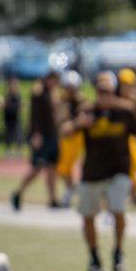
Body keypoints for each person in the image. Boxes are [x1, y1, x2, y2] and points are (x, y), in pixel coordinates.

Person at [63, 71, 136, 271]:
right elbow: (65, 131)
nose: (104, 96)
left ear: (115, 92)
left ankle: (118, 253)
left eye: (108, 91)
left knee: (118, 209)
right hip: (93, 172)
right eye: (101, 91)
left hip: (119, 170)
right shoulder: (87, 111)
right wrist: (79, 124)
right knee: (88, 216)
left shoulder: (126, 111)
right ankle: (94, 258)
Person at [11, 69, 61, 211]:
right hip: (41, 136)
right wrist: (35, 134)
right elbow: (34, 115)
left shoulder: (53, 92)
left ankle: (52, 199)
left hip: (52, 135)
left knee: (52, 168)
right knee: (37, 167)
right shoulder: (38, 91)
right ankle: (18, 192)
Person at [56, 70, 86, 207]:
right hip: (66, 138)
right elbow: (60, 118)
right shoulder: (62, 100)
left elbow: (83, 119)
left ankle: (78, 193)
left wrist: (72, 125)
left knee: (78, 167)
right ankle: (70, 190)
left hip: (79, 138)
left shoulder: (82, 101)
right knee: (63, 168)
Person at [0, 77, 21, 158]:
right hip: (8, 118)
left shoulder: (17, 96)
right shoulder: (7, 95)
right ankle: (8, 150)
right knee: (8, 135)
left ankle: (18, 151)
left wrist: (6, 105)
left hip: (15, 118)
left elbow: (17, 106)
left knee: (17, 134)